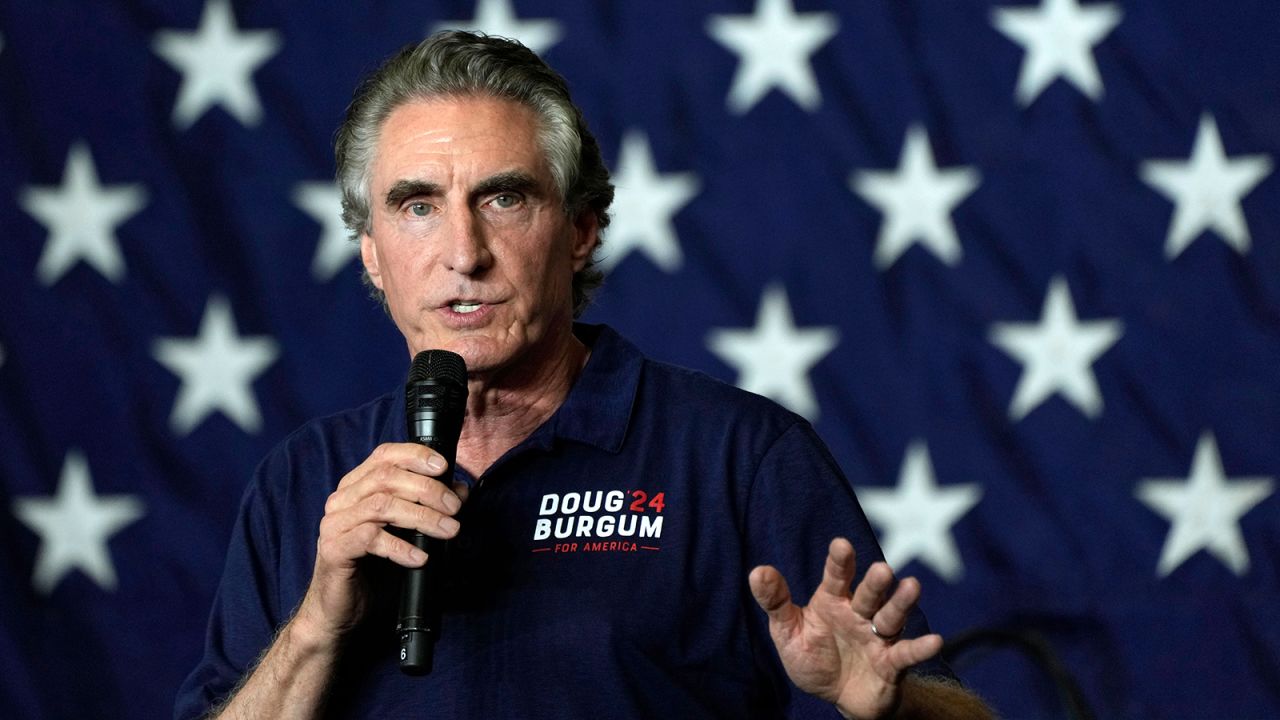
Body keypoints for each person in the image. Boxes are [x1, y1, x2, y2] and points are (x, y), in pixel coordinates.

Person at [175, 31, 993, 720]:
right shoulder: (305, 481)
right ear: (374, 256)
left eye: (503, 199)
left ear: (579, 232)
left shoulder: (738, 456)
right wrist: (319, 624)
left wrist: (884, 706)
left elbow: (939, 705)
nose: (463, 253)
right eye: (417, 206)